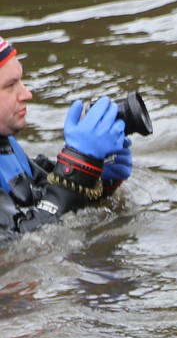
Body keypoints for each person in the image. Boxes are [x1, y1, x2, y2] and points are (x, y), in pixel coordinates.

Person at [2, 36, 134, 241]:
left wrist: (95, 176)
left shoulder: (5, 144)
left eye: (21, 80)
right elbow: (19, 240)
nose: (27, 94)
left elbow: (43, 196)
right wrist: (78, 164)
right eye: (10, 85)